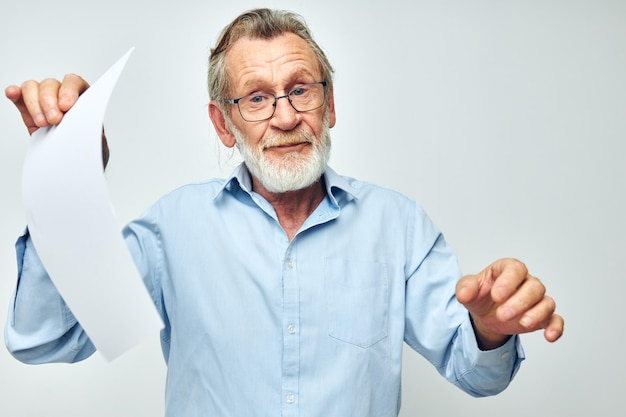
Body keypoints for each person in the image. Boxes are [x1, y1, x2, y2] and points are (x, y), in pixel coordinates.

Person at [4, 8, 563, 417]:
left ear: (331, 104)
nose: (286, 116)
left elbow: (475, 371)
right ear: (223, 123)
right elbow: (43, 339)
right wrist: (65, 177)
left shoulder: (398, 225)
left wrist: (489, 330)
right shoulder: (172, 229)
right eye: (256, 97)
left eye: (301, 90)